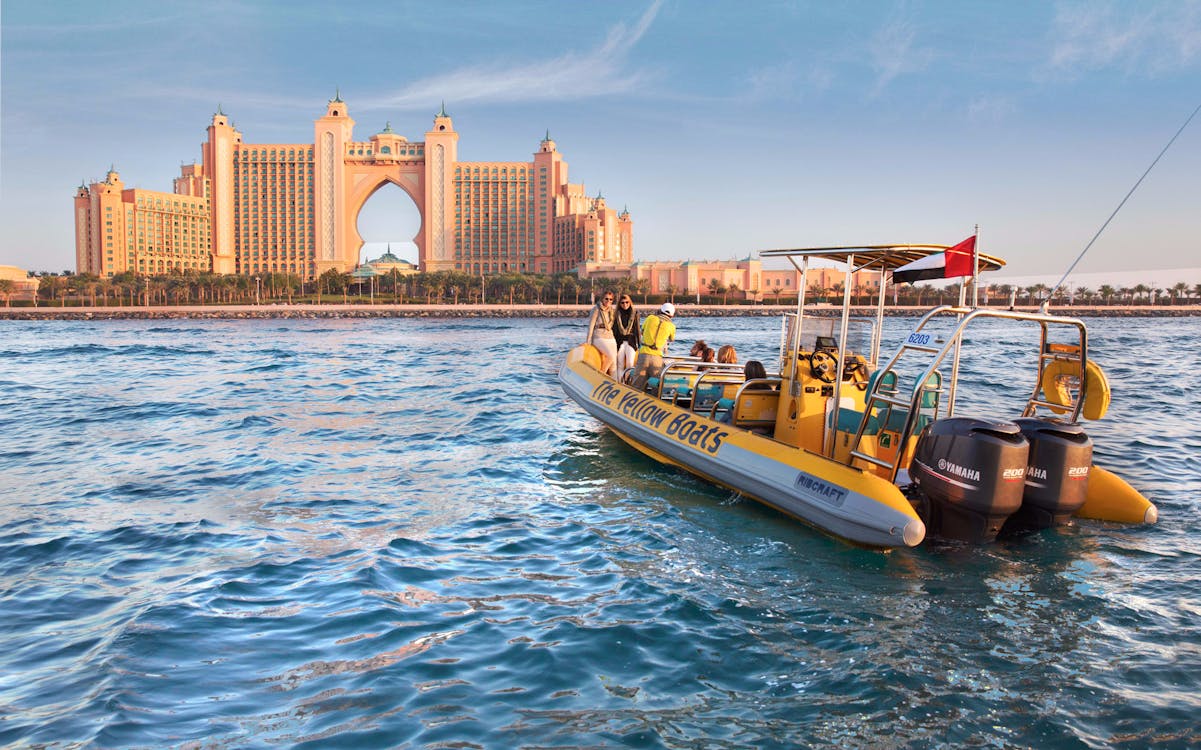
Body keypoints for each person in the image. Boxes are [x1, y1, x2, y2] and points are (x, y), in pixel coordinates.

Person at [630, 302, 676, 389]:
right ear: (672, 315)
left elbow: (642, 331)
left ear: (660, 310)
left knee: (637, 384)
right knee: (656, 385)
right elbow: (672, 339)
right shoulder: (671, 326)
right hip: (657, 357)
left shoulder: (650, 318)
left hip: (644, 354)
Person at [585, 290, 618, 377]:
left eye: (611, 299)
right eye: (606, 299)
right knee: (610, 356)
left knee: (614, 361)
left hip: (610, 336)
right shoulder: (596, 309)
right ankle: (601, 376)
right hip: (599, 336)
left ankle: (615, 382)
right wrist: (588, 341)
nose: (608, 301)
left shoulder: (611, 310)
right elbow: (591, 325)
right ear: (602, 299)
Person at [612, 293, 640, 381]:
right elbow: (614, 330)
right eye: (622, 303)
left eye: (627, 302)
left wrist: (639, 344)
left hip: (631, 342)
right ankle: (620, 382)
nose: (625, 304)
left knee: (630, 364)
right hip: (619, 342)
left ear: (630, 302)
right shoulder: (617, 314)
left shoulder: (635, 313)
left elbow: (637, 329)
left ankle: (627, 381)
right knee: (619, 364)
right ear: (619, 304)